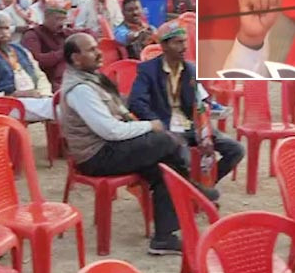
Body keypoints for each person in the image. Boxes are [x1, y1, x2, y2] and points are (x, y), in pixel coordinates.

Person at [60, 32, 217, 254]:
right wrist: (149, 126)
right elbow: (111, 131)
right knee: (165, 141)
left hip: (109, 147)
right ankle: (191, 189)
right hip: (96, 156)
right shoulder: (80, 90)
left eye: (97, 48)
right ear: (76, 59)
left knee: (164, 167)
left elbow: (120, 111)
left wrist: (139, 122)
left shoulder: (90, 78)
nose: (99, 53)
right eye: (92, 50)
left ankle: (164, 237)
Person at [129, 24, 244, 185]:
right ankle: (193, 191)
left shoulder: (191, 70)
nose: (184, 47)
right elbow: (136, 102)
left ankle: (202, 188)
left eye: (184, 41)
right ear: (164, 46)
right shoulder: (148, 70)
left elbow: (201, 99)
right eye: (178, 42)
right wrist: (155, 122)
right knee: (184, 160)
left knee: (236, 150)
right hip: (166, 127)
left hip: (191, 125)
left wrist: (209, 108)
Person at [0, 11, 53, 121]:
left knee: (59, 104)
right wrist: (13, 95)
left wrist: (44, 94)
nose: (4, 33)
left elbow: (40, 75)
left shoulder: (21, 50)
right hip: (6, 105)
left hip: (35, 99)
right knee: (58, 109)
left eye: (6, 28)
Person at [22, 0, 76, 92]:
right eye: (58, 19)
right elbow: (37, 61)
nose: (62, 23)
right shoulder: (32, 35)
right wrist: (65, 52)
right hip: (47, 82)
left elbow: (88, 33)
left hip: (70, 78)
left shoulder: (64, 33)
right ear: (46, 17)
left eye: (63, 19)